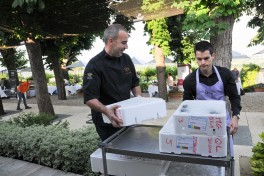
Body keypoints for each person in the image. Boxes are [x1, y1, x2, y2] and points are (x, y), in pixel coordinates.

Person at [83, 24, 141, 141]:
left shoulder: (126, 59)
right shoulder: (94, 65)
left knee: (131, 146)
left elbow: (134, 83)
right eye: (123, 43)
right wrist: (107, 111)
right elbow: (90, 98)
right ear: (111, 41)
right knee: (115, 152)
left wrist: (139, 98)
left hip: (127, 115)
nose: (127, 46)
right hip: (107, 120)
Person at [183, 41, 242, 156]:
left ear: (213, 56)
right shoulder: (190, 80)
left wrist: (236, 116)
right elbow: (186, 105)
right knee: (203, 154)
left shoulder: (225, 74)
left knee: (224, 154)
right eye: (199, 59)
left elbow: (234, 97)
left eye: (206, 58)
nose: (203, 63)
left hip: (222, 122)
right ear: (195, 57)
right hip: (200, 124)